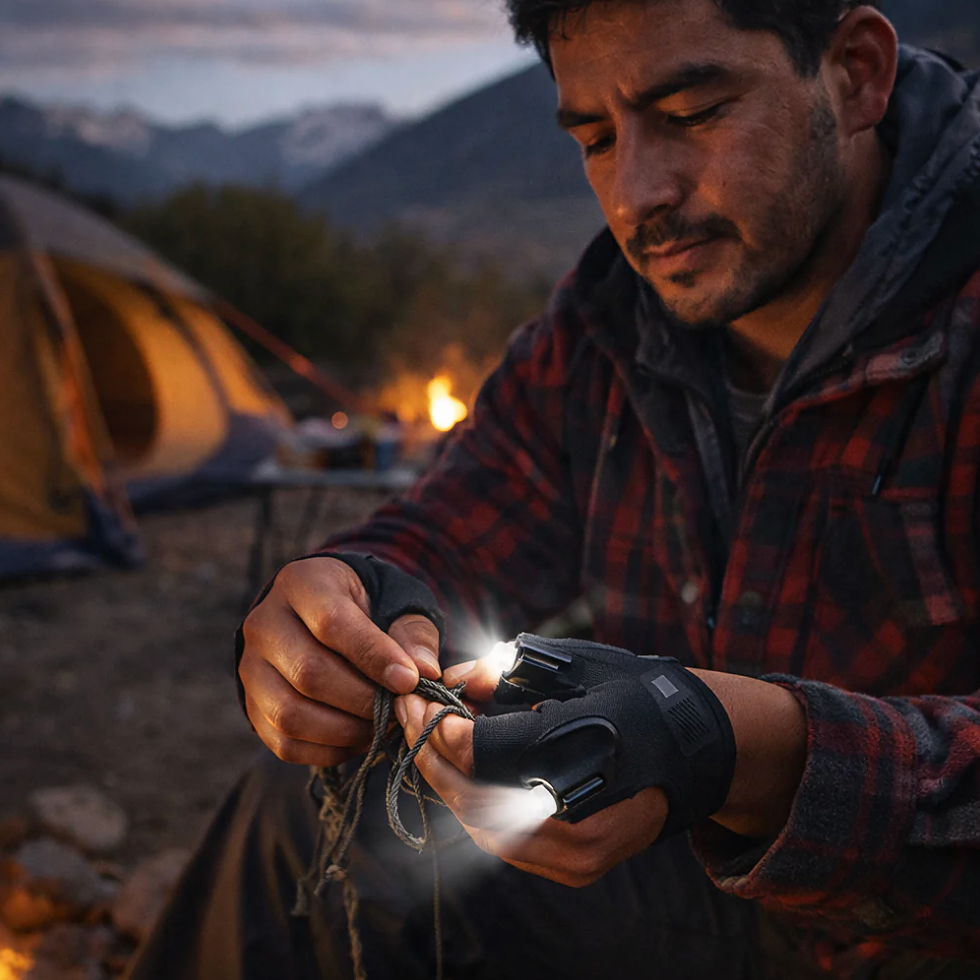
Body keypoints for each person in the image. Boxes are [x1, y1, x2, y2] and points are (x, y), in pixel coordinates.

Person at [126, 1, 980, 977]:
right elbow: (460, 519)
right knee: (316, 821)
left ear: (855, 73)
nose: (635, 194)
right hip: (692, 901)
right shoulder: (609, 325)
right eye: (594, 137)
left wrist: (748, 753)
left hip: (920, 937)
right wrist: (362, 592)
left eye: (694, 111)